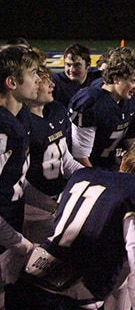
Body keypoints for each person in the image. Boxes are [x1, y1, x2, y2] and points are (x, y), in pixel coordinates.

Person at [18, 137, 135, 310]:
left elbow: (89, 240)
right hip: (74, 295)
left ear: (123, 161)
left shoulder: (83, 176)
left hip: (33, 276)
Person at [22, 59, 84, 244]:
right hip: (30, 208)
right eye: (44, 80)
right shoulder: (21, 122)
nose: (52, 84)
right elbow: (18, 179)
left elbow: (65, 160)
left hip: (56, 199)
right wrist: (50, 204)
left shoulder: (56, 110)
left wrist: (92, 176)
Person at [0, 45, 40, 305]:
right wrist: (18, 242)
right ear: (12, 82)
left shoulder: (19, 116)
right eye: (34, 73)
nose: (39, 79)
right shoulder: (3, 127)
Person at [69, 47, 135, 170]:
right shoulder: (90, 102)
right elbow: (80, 156)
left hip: (111, 164)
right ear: (116, 78)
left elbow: (132, 140)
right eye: (133, 81)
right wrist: (100, 179)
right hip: (84, 169)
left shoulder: (131, 101)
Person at [51, 44, 103, 108]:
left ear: (88, 65)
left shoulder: (98, 78)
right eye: (68, 65)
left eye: (77, 65)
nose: (72, 69)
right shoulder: (55, 82)